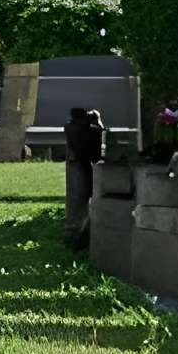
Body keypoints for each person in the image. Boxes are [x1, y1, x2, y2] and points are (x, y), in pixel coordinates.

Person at [62, 104, 106, 251]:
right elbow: (99, 139)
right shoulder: (81, 129)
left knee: (76, 200)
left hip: (77, 163)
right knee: (80, 198)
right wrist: (97, 121)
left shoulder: (70, 127)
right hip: (81, 164)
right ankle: (77, 235)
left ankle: (74, 234)